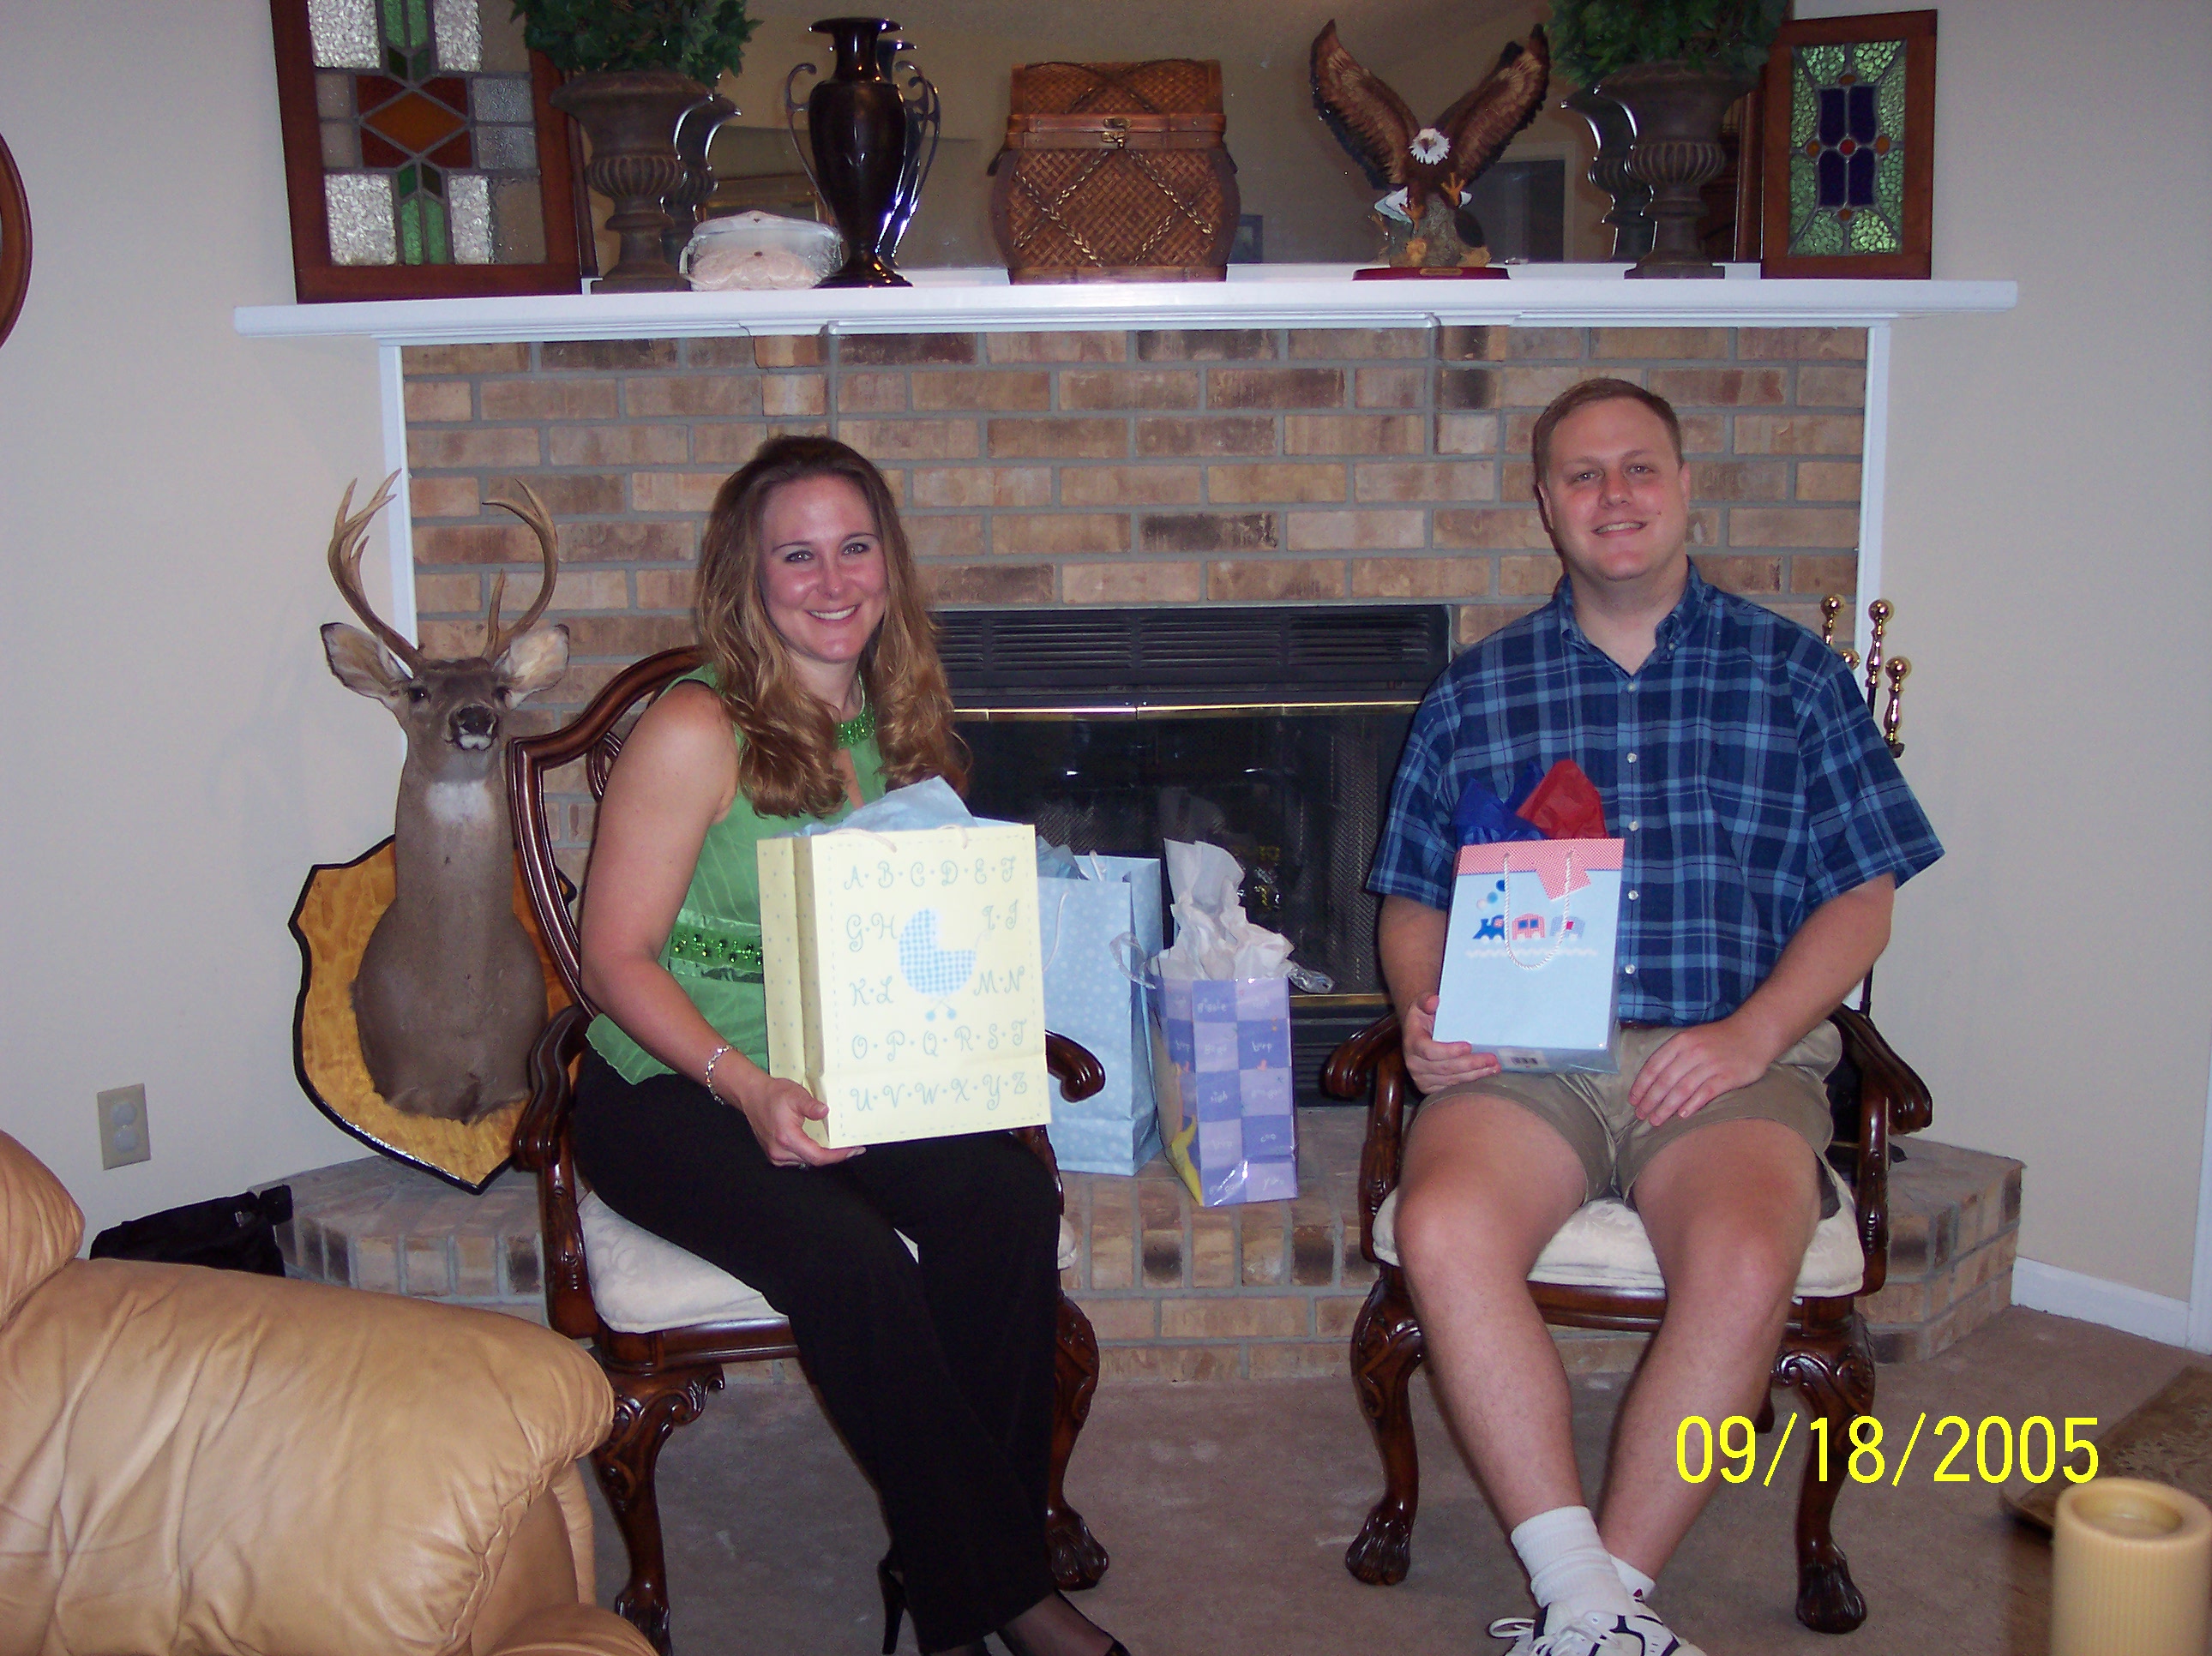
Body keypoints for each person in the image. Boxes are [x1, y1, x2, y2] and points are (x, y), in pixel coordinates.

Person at [1367, 380, 1940, 1656]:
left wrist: (1752, 1037)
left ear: (1685, 488)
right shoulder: (1477, 691)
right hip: (1528, 1062)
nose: (1613, 496)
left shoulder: (1795, 676)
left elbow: (1865, 897)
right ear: (1546, 504)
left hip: (1731, 1055)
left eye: (1639, 468)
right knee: (1445, 1226)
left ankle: (1601, 1601)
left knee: (1742, 1255)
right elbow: (1412, 896)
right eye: (1582, 474)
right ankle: (1585, 1597)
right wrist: (1423, 1004)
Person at [570, 435, 1127, 1656]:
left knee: (1002, 1200)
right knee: (851, 1259)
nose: (833, 582)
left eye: (855, 547)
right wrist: (745, 1086)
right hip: (672, 1084)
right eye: (798, 556)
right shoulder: (695, 725)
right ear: (749, 577)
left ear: (890, 563)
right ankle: (1004, 1596)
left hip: (848, 1064)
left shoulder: (901, 723)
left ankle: (945, 1573)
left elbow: (918, 932)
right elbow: (612, 961)